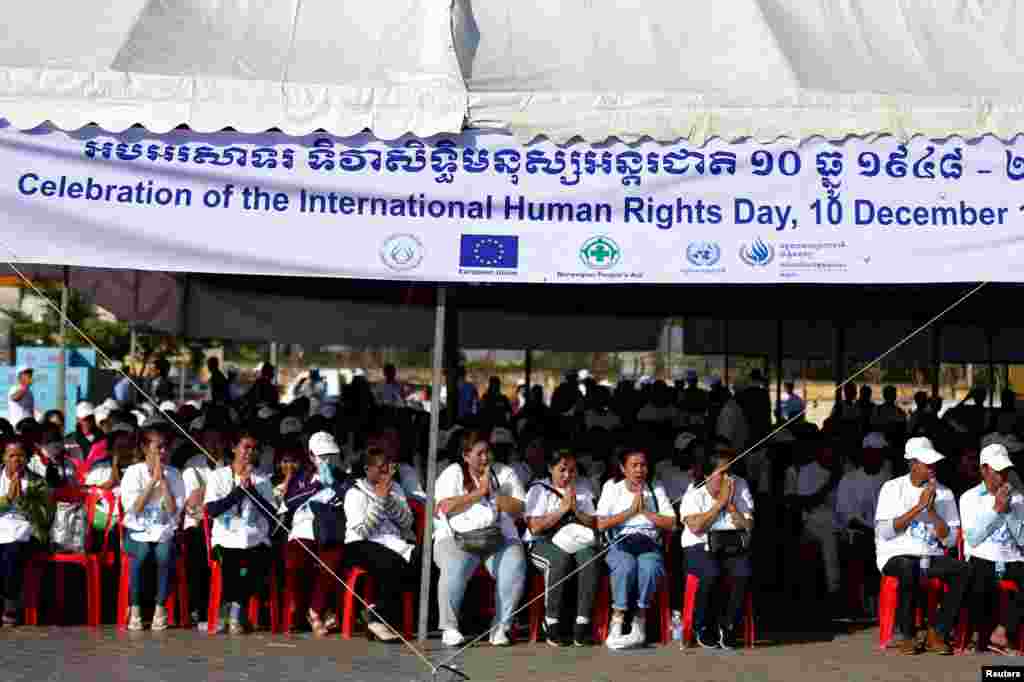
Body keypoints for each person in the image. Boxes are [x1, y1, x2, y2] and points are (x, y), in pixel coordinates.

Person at [874, 437, 968, 655]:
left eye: (934, 464)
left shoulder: (944, 493)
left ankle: (938, 632)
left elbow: (950, 540)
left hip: (930, 554)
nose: (933, 468)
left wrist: (933, 511)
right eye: (928, 464)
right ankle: (908, 635)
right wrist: (918, 508)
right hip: (895, 554)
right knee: (908, 566)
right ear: (912, 464)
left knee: (963, 570)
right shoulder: (892, 488)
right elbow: (885, 532)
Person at [434, 429, 526, 647]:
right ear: (466, 456)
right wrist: (478, 493)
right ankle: (449, 627)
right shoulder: (452, 473)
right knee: (454, 564)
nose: (486, 458)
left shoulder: (505, 473)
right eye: (480, 453)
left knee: (515, 563)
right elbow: (444, 507)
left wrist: (493, 493)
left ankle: (501, 627)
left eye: (488, 452)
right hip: (457, 538)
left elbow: (520, 508)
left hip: (497, 536)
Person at [596, 448, 675, 649]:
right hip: (621, 542)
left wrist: (646, 512)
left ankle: (639, 621)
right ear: (623, 468)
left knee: (649, 567)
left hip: (648, 542)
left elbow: (671, 523)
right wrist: (630, 511)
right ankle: (618, 620)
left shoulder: (655, 488)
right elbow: (601, 524)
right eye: (634, 465)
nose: (640, 470)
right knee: (625, 566)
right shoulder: (612, 487)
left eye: (643, 465)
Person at [203, 431, 277, 634]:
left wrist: (252, 491)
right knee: (233, 564)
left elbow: (272, 514)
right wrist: (238, 493)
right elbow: (212, 510)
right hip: (225, 538)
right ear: (234, 448)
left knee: (256, 562)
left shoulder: (262, 479)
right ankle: (235, 609)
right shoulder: (218, 476)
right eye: (246, 447)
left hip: (255, 538)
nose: (249, 452)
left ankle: (233, 607)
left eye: (253, 449)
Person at [680, 448, 754, 649]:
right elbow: (695, 527)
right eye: (722, 473)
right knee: (711, 573)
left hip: (729, 543)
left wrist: (731, 506)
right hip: (699, 545)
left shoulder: (740, 485)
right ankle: (703, 625)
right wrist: (719, 504)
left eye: (729, 472)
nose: (727, 477)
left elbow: (748, 527)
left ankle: (729, 626)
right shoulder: (694, 494)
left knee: (743, 571)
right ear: (707, 474)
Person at [524, 448, 599, 647]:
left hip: (574, 540)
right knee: (559, 560)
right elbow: (535, 527)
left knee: (589, 557)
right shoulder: (538, 490)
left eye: (572, 470)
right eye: (562, 470)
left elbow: (593, 523)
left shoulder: (582, 488)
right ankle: (551, 622)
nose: (568, 475)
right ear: (550, 468)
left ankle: (582, 624)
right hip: (543, 543)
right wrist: (562, 509)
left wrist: (576, 511)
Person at [343, 446, 419, 642]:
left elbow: (407, 523)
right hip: (361, 544)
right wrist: (380, 499)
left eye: (388, 465)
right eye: (381, 466)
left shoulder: (397, 488)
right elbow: (363, 530)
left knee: (423, 562)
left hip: (393, 542)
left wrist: (390, 500)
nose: (387, 470)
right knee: (392, 564)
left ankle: (378, 614)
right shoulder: (354, 492)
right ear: (368, 469)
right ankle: (379, 618)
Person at [280, 432, 346, 636]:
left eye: (331, 455)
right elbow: (289, 502)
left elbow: (349, 497)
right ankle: (302, 613)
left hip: (331, 528)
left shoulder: (343, 477)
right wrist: (316, 487)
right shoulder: (302, 477)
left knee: (332, 560)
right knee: (295, 562)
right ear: (311, 455)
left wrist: (335, 485)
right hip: (304, 526)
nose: (327, 460)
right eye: (322, 456)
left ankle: (315, 610)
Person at [960, 443, 1024, 654]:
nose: (1003, 477)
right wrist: (996, 509)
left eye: (1006, 471)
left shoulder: (1019, 498)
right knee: (976, 577)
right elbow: (973, 539)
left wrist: (1009, 512)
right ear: (984, 469)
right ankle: (980, 634)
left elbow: (1023, 540)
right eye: (998, 471)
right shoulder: (969, 498)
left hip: (1012, 558)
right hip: (982, 555)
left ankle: (1001, 631)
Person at [119, 427, 185, 631]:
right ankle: (136, 607)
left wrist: (163, 481)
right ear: (145, 448)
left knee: (164, 554)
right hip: (136, 531)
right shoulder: (132, 472)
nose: (163, 452)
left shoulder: (173, 474)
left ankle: (160, 607)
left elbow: (174, 510)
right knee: (143, 553)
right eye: (159, 447)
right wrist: (152, 482)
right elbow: (135, 509)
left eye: (165, 447)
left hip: (163, 530)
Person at [834, 434, 890, 616]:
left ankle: (881, 603)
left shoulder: (888, 479)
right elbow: (847, 517)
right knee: (864, 546)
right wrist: (873, 531)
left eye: (880, 453)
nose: (876, 457)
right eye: (872, 453)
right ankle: (864, 605)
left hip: (883, 534)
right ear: (864, 454)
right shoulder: (849, 479)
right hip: (857, 533)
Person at [784, 439, 843, 612]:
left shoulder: (841, 470)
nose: (829, 455)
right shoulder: (808, 471)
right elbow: (806, 503)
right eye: (826, 451)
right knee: (828, 537)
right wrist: (829, 484)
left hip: (840, 521)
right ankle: (834, 591)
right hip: (812, 523)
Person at [0, 438, 47, 625]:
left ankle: (10, 603)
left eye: (20, 456)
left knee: (11, 552)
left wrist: (23, 499)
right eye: (11, 456)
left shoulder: (37, 482)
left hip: (27, 532)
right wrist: (8, 499)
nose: (16, 460)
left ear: (27, 458)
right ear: (3, 457)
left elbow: (45, 515)